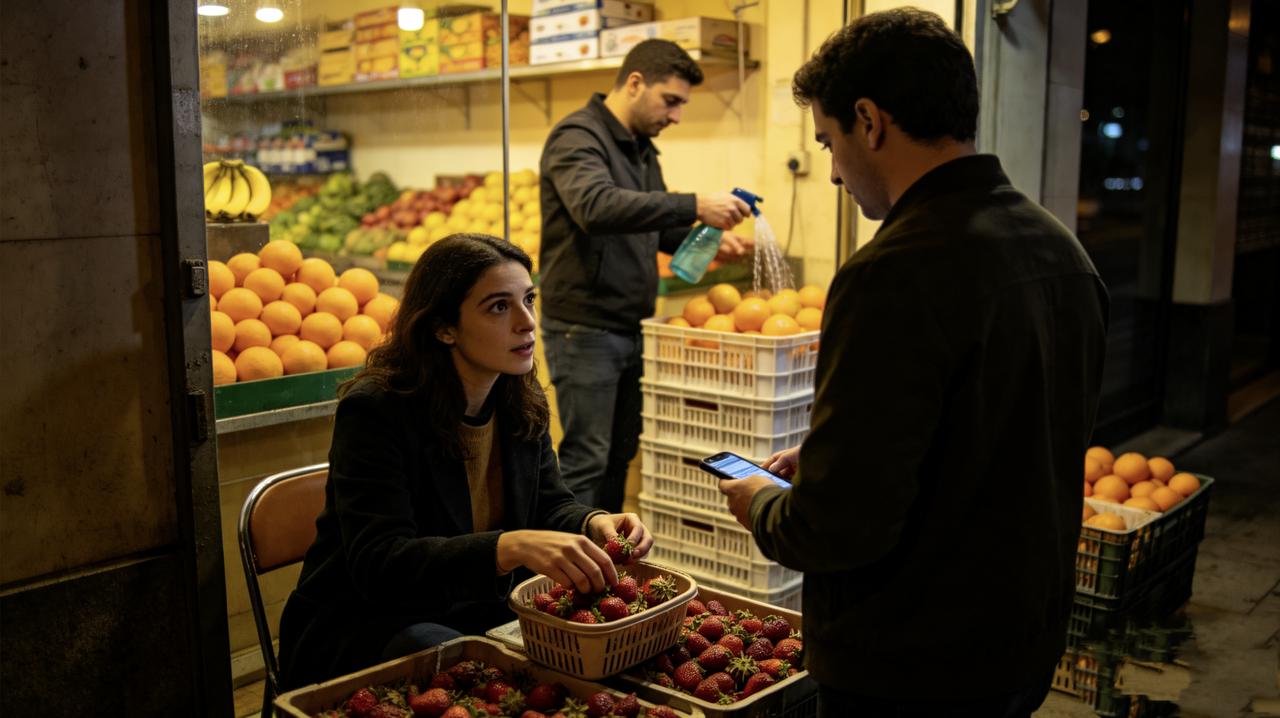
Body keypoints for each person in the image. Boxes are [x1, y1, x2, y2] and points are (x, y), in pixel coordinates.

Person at [718, 9, 1109, 718]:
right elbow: (1001, 432)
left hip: (909, 664)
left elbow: (839, 526)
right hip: (1021, 641)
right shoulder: (1062, 252)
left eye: (829, 142)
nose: (833, 171)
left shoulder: (893, 273)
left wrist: (766, 507)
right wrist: (833, 452)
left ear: (870, 121)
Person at [277, 234, 654, 690]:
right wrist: (507, 547)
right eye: (499, 306)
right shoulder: (377, 410)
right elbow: (381, 565)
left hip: (477, 617)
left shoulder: (518, 397)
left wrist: (593, 522)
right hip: (366, 626)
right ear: (443, 327)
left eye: (529, 299)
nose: (527, 322)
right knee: (482, 677)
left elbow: (549, 505)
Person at [538, 39, 752, 512]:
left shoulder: (640, 149)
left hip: (632, 325)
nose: (676, 116)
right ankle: (564, 568)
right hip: (585, 327)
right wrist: (696, 203)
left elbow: (652, 224)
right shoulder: (577, 137)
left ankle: (609, 559)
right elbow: (595, 206)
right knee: (586, 459)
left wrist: (711, 237)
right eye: (671, 101)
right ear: (635, 83)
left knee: (618, 455)